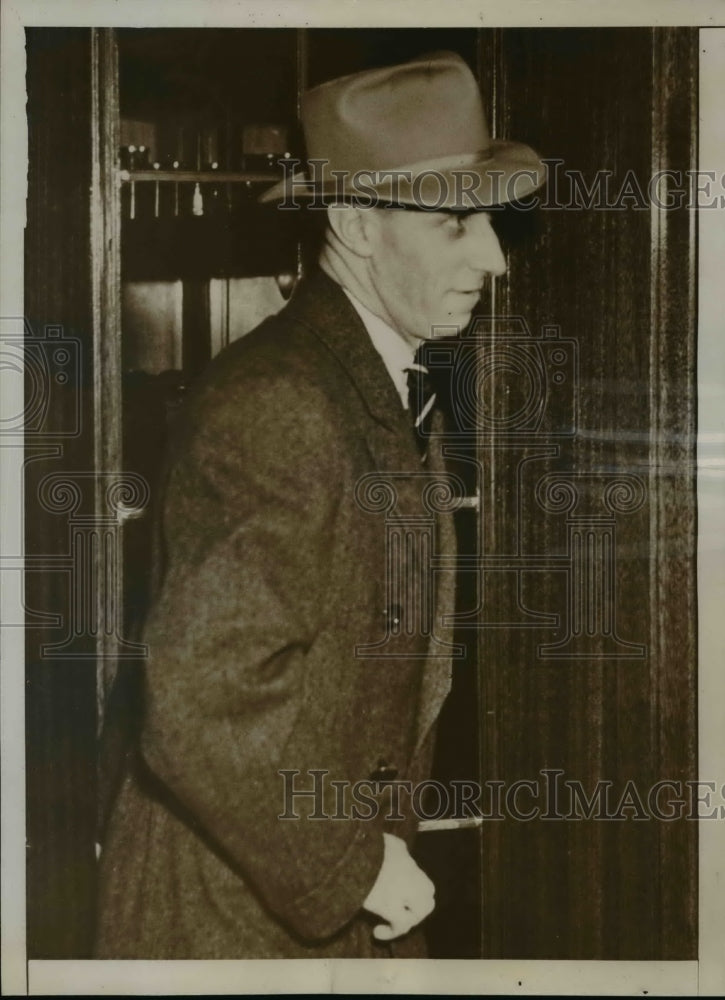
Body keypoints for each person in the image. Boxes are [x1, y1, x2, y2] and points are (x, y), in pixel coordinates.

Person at [96, 51, 544, 959]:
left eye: (490, 222)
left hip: (322, 908)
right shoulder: (280, 402)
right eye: (457, 222)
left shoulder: (372, 378)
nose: (494, 258)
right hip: (234, 926)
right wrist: (356, 868)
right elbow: (200, 703)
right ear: (354, 224)